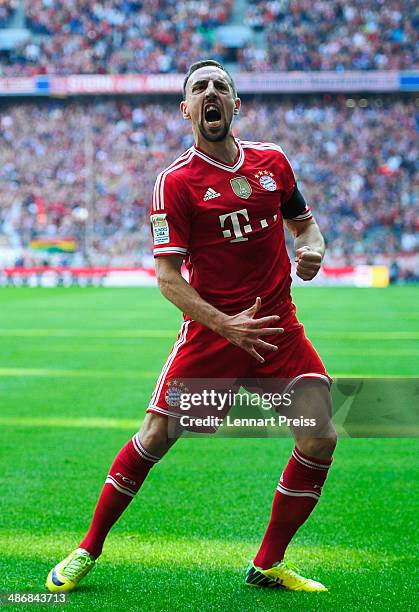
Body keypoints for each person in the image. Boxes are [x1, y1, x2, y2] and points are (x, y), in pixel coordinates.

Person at [46, 59, 337, 594]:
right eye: (200, 87)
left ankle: (267, 563)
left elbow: (305, 222)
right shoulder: (175, 182)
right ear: (186, 109)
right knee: (155, 436)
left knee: (320, 436)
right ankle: (88, 547)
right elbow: (167, 279)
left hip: (277, 332)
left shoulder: (273, 163)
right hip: (212, 337)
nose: (211, 93)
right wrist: (228, 326)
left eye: (220, 86)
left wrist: (311, 247)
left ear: (235, 105)